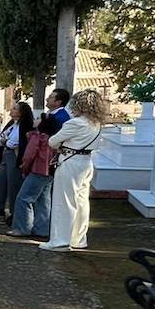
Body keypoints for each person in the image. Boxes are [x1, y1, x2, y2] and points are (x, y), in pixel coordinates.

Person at [40, 89, 110, 252]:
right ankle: (78, 239)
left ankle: (60, 240)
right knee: (82, 202)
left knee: (63, 201)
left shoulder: (76, 123)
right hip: (85, 162)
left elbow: (53, 141)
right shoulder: (96, 123)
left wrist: (59, 145)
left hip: (70, 162)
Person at [9, 113, 58, 238]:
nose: (35, 120)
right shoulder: (52, 137)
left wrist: (24, 168)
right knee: (44, 200)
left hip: (37, 170)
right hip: (49, 171)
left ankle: (22, 228)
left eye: (38, 119)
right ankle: (43, 229)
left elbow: (29, 155)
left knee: (23, 198)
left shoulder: (37, 136)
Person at [0, 101, 33, 222]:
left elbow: (14, 142)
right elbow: (1, 139)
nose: (11, 111)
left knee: (14, 184)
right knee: (1, 182)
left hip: (15, 155)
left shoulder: (24, 124)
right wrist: (3, 141)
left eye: (14, 109)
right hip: (6, 154)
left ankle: (14, 212)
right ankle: (0, 209)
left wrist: (4, 141)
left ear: (21, 112)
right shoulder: (12, 124)